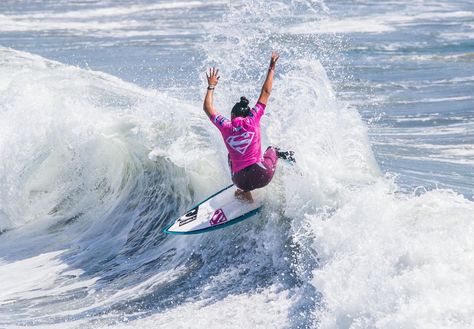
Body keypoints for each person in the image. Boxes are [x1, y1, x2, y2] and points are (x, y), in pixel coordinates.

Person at [203, 52, 294, 203]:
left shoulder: (225, 126)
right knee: (273, 150)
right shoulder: (253, 118)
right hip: (263, 176)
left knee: (230, 157)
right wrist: (272, 66)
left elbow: (207, 107)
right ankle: (293, 163)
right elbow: (266, 92)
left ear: (232, 116)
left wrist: (211, 86)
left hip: (240, 180)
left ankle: (245, 193)